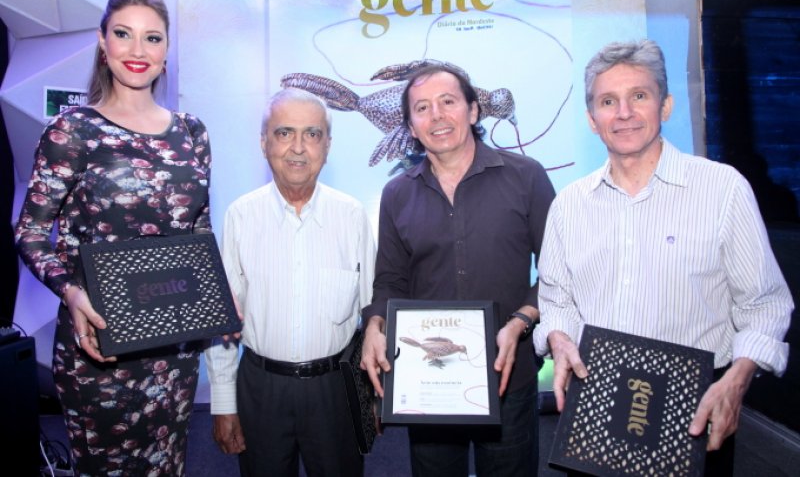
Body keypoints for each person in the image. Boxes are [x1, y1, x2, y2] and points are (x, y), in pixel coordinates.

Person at [532, 39, 793, 475]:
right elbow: (557, 299)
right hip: (597, 401)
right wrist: (558, 337)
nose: (624, 113)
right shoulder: (569, 205)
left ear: (665, 106)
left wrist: (738, 379)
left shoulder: (722, 189)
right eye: (608, 101)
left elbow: (764, 305)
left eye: (639, 95)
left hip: (693, 406)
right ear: (592, 119)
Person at [15, 0, 212, 475]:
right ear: (103, 43)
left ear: (166, 50)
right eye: (124, 34)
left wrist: (215, 297)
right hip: (100, 342)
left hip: (174, 343)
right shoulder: (73, 130)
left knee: (168, 464)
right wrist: (71, 292)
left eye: (152, 37)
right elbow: (31, 232)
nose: (138, 50)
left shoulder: (192, 132)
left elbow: (199, 232)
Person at [360, 63, 556, 476]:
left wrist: (522, 320)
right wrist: (375, 325)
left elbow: (558, 273)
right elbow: (390, 279)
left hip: (508, 375)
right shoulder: (397, 194)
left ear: (473, 110)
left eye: (448, 102)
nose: (437, 116)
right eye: (422, 108)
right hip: (430, 380)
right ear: (410, 127)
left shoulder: (526, 177)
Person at [204, 87, 376, 476]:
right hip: (261, 388)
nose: (298, 147)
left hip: (335, 389)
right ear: (264, 142)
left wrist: (373, 397)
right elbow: (222, 321)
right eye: (284, 133)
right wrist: (223, 402)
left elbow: (372, 315)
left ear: (327, 146)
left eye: (312, 134)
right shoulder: (240, 216)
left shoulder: (351, 216)